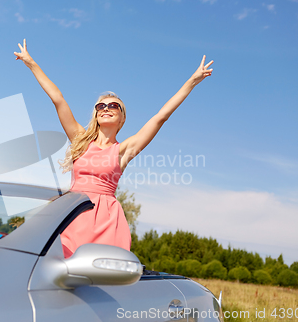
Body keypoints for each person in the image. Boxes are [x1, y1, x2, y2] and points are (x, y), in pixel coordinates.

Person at [14, 39, 213, 258]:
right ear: (96, 114)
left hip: (107, 221)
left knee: (102, 278)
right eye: (101, 106)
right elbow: (58, 99)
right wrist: (31, 63)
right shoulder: (80, 140)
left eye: (113, 105)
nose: (106, 108)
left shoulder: (123, 150)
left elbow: (160, 117)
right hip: (73, 214)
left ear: (122, 117)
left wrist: (192, 82)